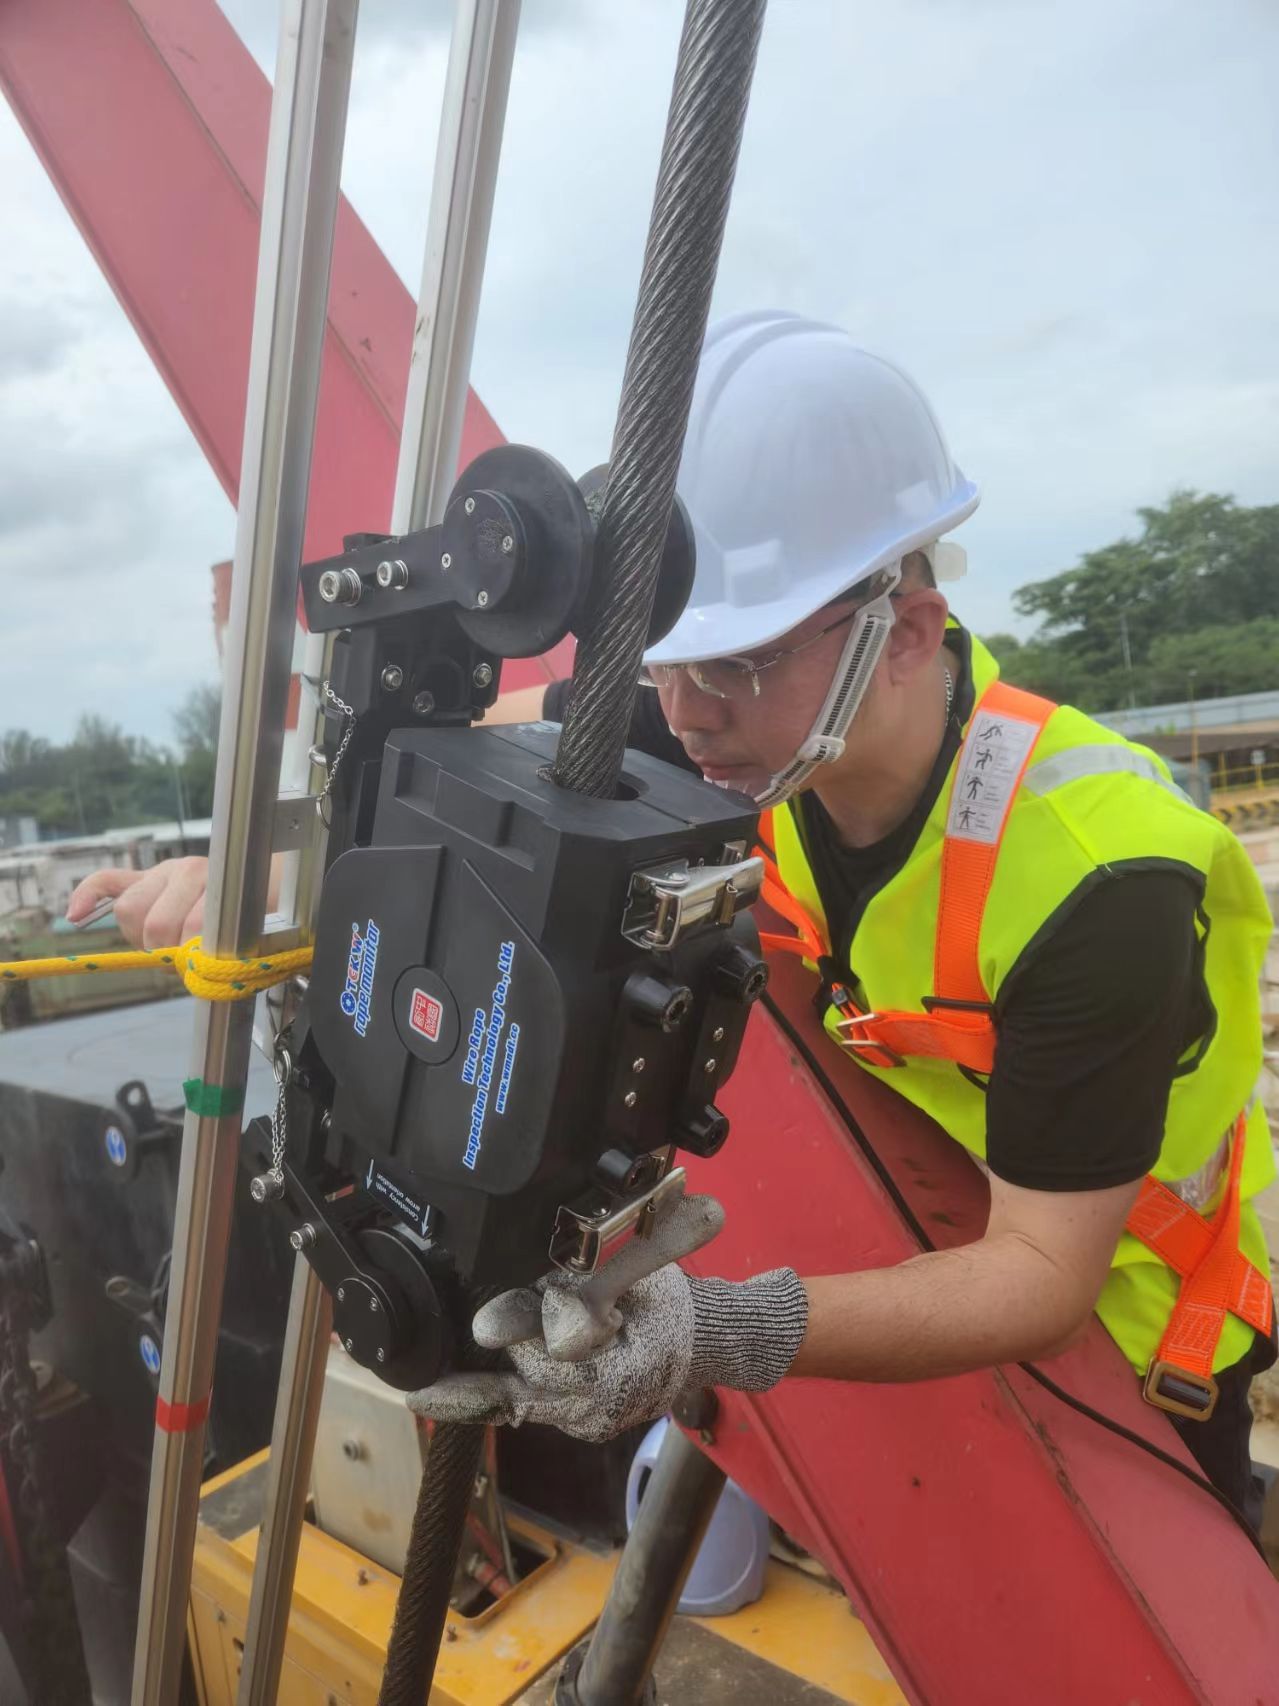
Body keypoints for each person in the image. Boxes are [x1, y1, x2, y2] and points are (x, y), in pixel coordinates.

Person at [68, 312, 1276, 1527]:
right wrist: (252, 860)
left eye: (732, 665)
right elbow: (433, 747)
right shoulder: (745, 718)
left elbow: (1037, 1278)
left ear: (899, 632)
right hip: (912, 1217)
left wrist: (717, 1325)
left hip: (1127, 1334)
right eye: (656, 663)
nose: (680, 714)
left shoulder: (1099, 882)